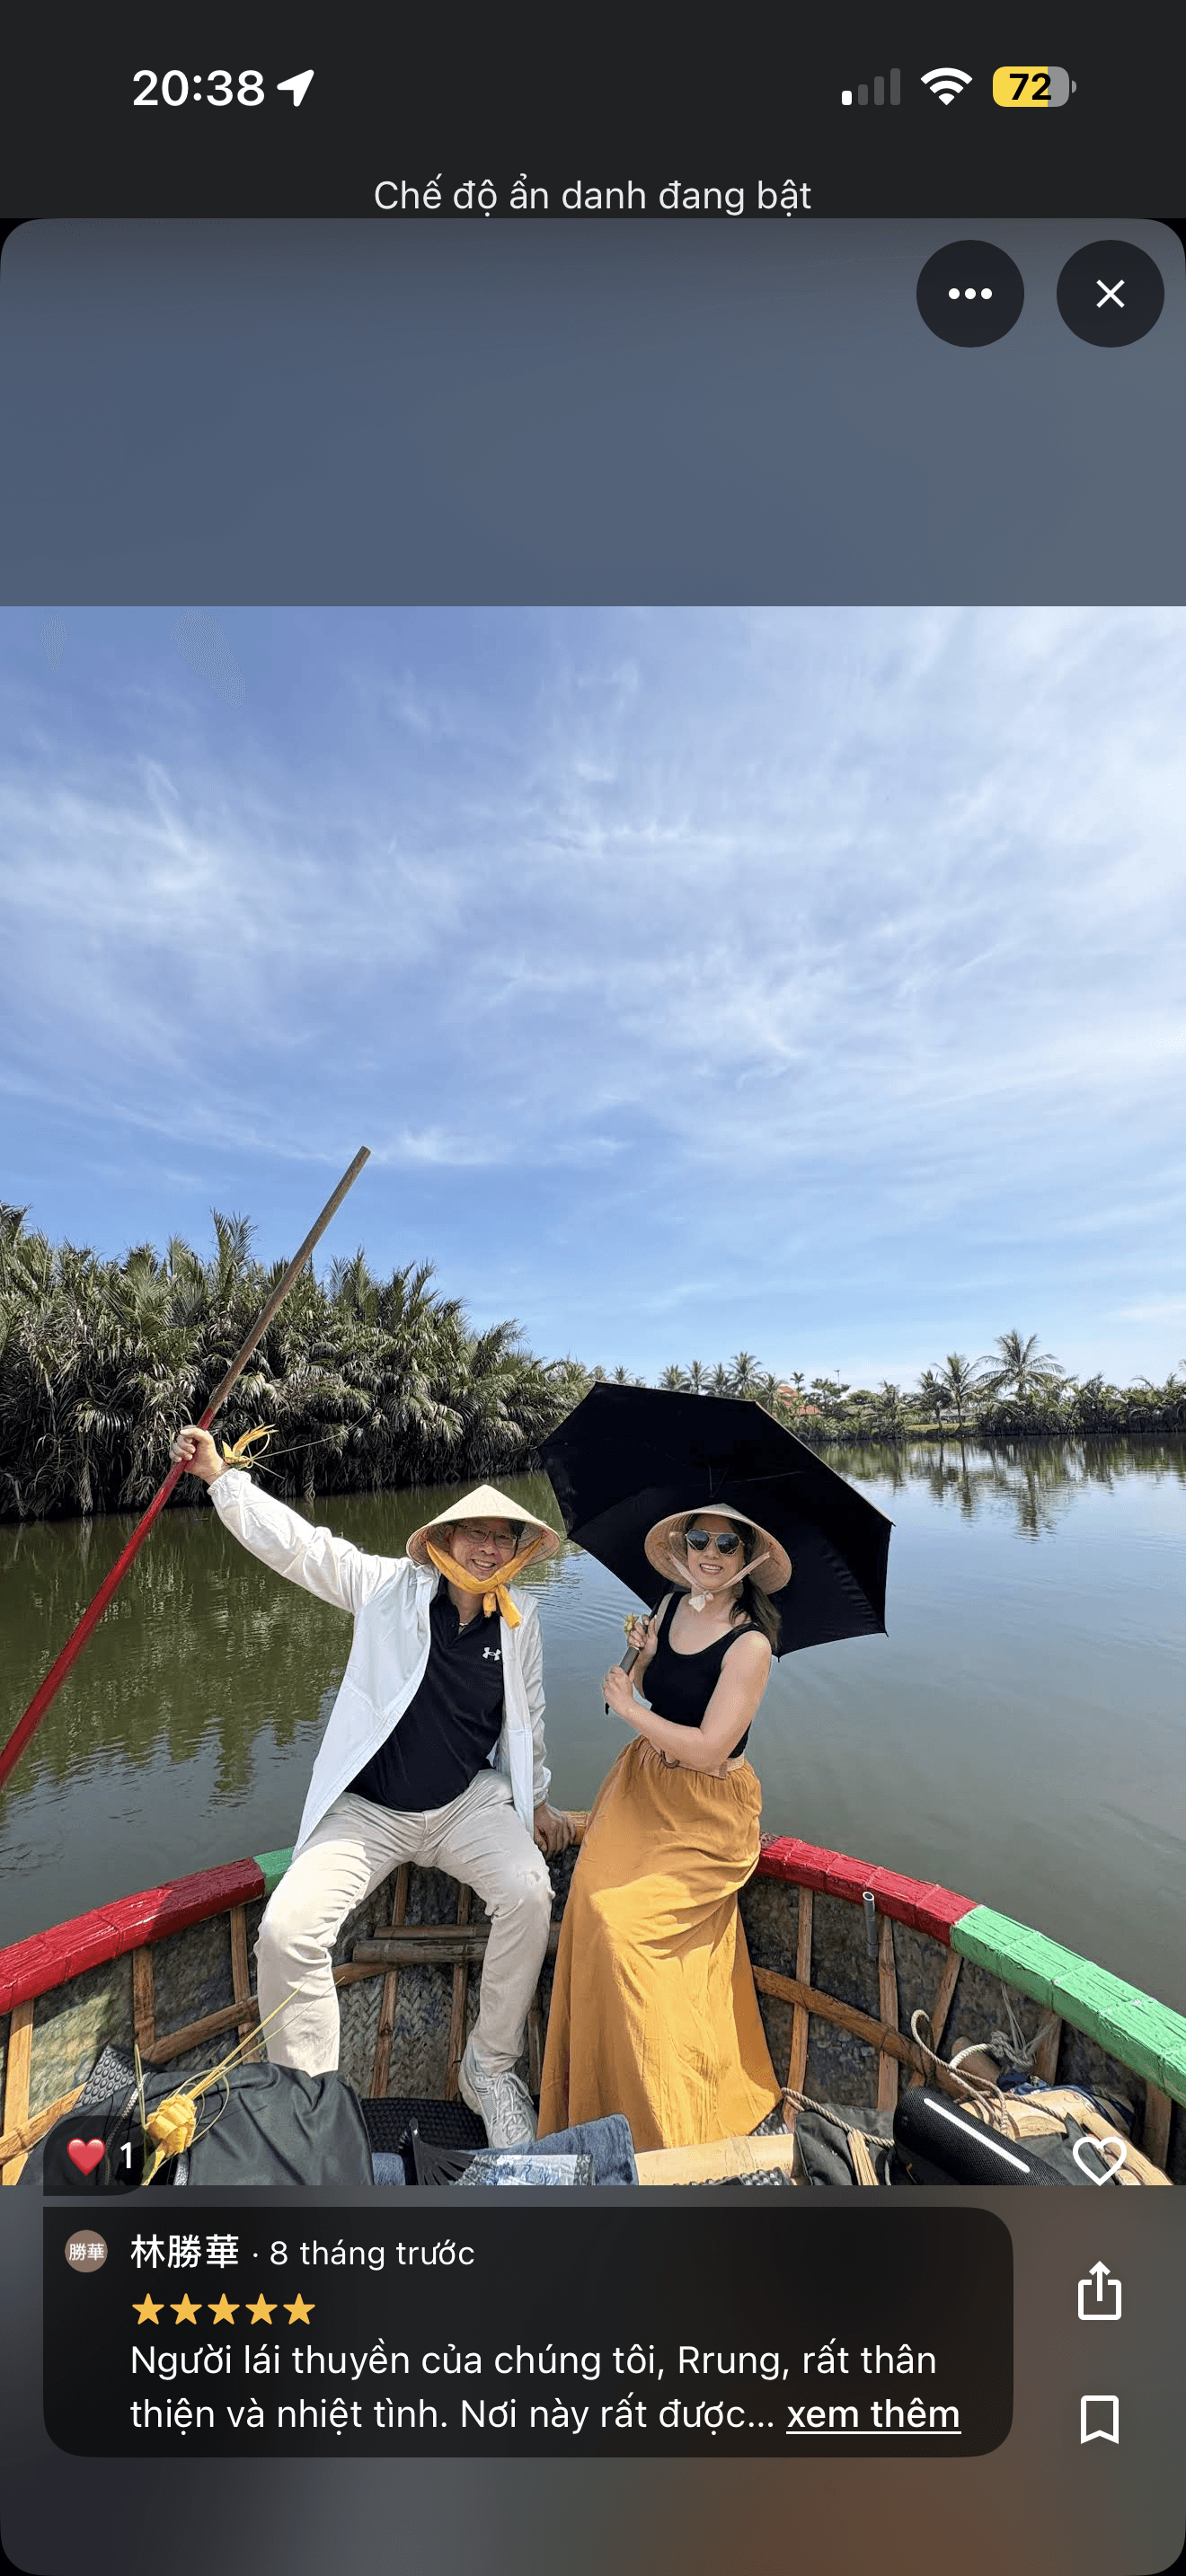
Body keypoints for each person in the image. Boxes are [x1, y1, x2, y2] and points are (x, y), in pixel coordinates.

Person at [170, 1427, 573, 2147]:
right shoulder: (388, 1589)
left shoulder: (521, 1621)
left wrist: (536, 1799)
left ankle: (488, 2065)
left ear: (518, 1550)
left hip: (464, 1804)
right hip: (370, 1811)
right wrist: (221, 1481)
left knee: (530, 1893)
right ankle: (312, 2107)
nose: (487, 1550)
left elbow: (529, 1716)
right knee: (288, 1932)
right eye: (473, 1535)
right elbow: (302, 1548)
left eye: (502, 1539)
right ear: (444, 1541)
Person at [537, 1506, 786, 2151]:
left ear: (749, 1558)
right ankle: (588, 2099)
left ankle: (658, 2120)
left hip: (709, 1811)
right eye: (699, 1539)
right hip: (645, 1785)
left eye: (728, 1544)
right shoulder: (672, 1603)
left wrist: (626, 1708)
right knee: (589, 1907)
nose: (711, 1552)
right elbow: (663, 1690)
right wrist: (643, 1660)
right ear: (682, 1546)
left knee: (626, 1932)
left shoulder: (752, 1645)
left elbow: (707, 1748)